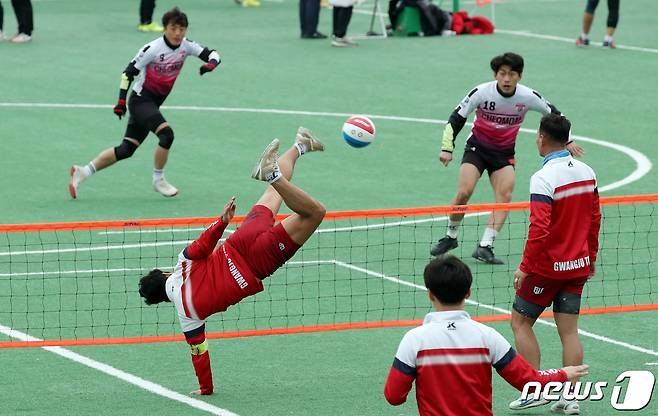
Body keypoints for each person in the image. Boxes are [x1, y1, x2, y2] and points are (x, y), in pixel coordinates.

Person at [138, 128, 326, 395]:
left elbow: (199, 356)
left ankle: (272, 173)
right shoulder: (181, 266)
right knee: (276, 194)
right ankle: (300, 145)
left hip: (257, 262)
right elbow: (204, 244)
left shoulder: (188, 317)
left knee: (315, 213)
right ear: (164, 273)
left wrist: (205, 388)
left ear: (162, 301)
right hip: (240, 239)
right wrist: (223, 221)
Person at [384, 255, 589, 416]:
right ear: (468, 293)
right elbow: (529, 381)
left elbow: (394, 396)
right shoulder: (487, 336)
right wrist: (564, 373)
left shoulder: (414, 340)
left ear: (430, 294)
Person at [430, 52, 584, 264]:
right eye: (502, 74)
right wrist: (447, 148)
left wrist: (568, 140)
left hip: (503, 154)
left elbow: (557, 116)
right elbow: (456, 118)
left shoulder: (528, 96)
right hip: (476, 149)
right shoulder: (481, 92)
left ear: (519, 76)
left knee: (504, 198)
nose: (506, 79)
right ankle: (450, 236)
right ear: (496, 75)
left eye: (512, 74)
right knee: (464, 192)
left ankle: (485, 246)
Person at [69, 7, 221, 199]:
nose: (177, 33)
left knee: (126, 149)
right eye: (173, 28)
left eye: (182, 29)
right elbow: (128, 72)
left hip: (152, 105)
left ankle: (83, 171)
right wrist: (121, 100)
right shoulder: (153, 49)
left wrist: (211, 65)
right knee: (167, 135)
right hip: (141, 101)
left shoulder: (186, 46)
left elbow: (213, 54)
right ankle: (159, 180)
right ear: (165, 28)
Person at [508, 114, 600, 414]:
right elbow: (595, 221)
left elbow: (540, 229)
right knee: (569, 331)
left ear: (541, 138)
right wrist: (592, 258)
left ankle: (534, 388)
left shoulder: (543, 178)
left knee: (520, 322)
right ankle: (570, 397)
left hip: (547, 268)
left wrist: (525, 267)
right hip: (578, 265)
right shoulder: (588, 172)